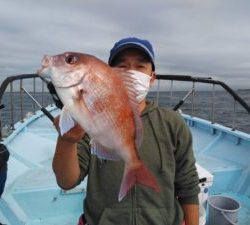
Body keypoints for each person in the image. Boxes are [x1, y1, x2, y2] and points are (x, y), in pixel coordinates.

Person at [52, 37, 200, 225]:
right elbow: (67, 181)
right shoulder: (88, 119)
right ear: (108, 75)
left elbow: (188, 185)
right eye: (122, 66)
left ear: (152, 77)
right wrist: (67, 141)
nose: (131, 73)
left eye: (140, 67)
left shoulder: (173, 122)